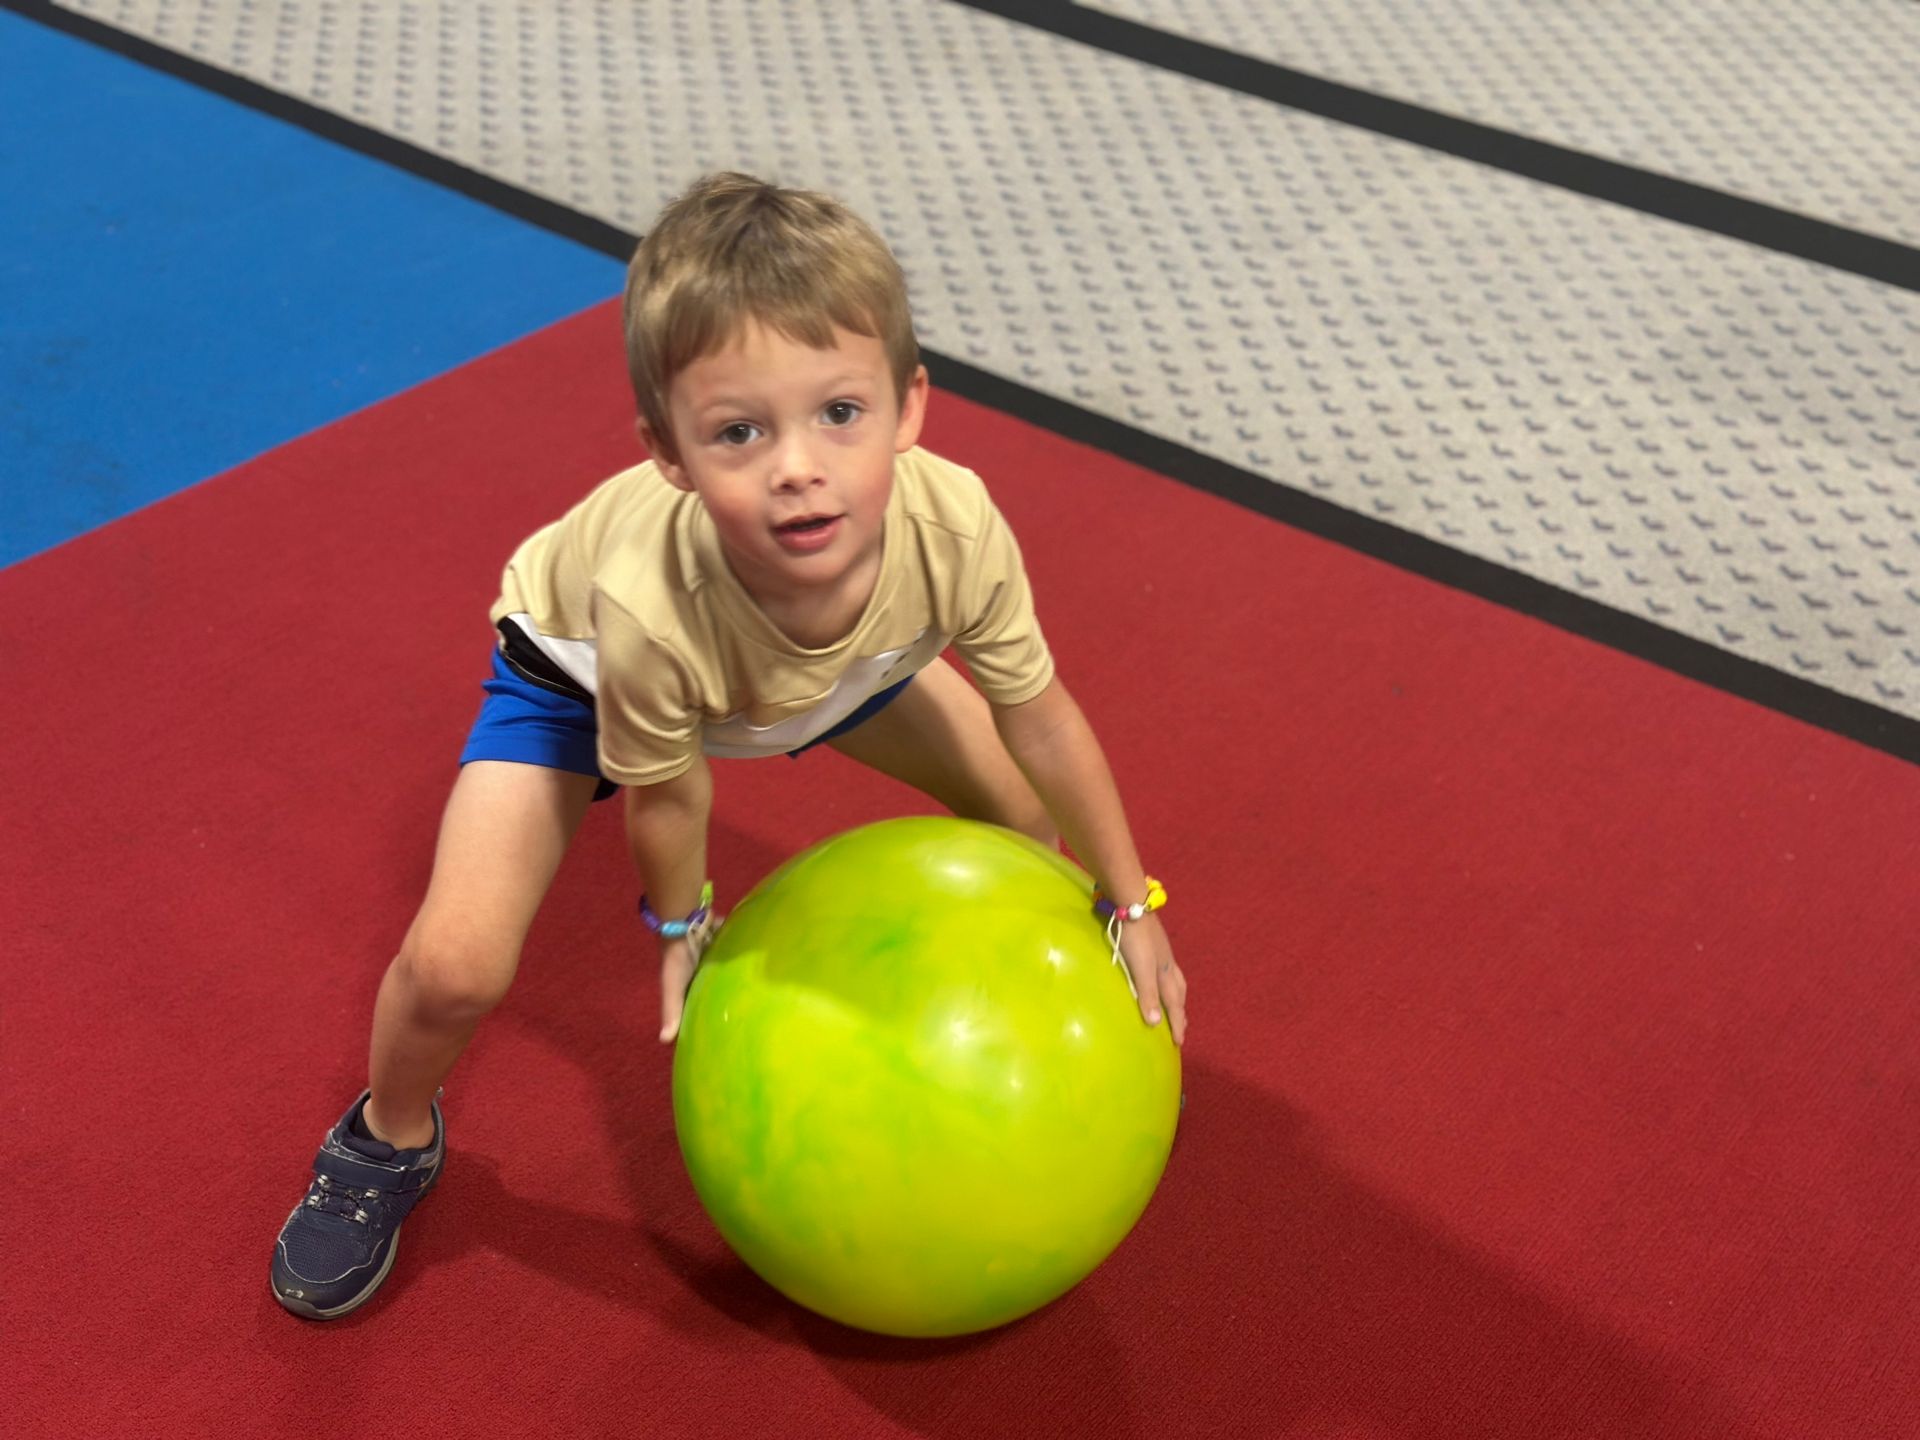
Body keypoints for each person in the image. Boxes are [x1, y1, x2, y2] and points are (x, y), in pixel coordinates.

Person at [270, 172, 1189, 1320]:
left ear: (909, 407)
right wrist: (680, 923)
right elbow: (668, 794)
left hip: (845, 666)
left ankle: (995, 1073)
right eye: (739, 431)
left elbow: (1041, 715)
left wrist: (1129, 898)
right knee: (457, 968)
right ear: (670, 453)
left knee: (1020, 823)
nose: (796, 466)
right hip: (582, 682)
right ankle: (386, 1136)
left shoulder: (954, 528)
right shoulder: (652, 601)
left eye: (838, 414)